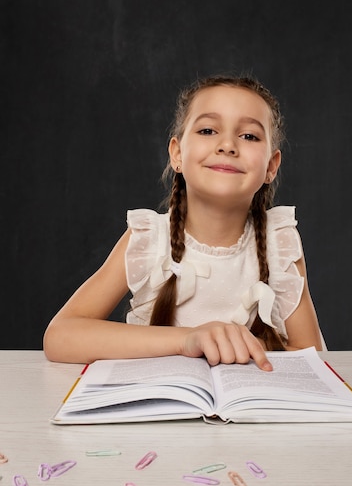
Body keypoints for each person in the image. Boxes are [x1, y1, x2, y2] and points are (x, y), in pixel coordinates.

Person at [44, 74, 324, 370]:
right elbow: (61, 335)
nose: (227, 144)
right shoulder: (149, 240)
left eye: (249, 136)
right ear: (177, 154)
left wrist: (241, 344)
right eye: (207, 130)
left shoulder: (280, 243)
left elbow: (312, 357)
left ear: (271, 166)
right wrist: (188, 339)